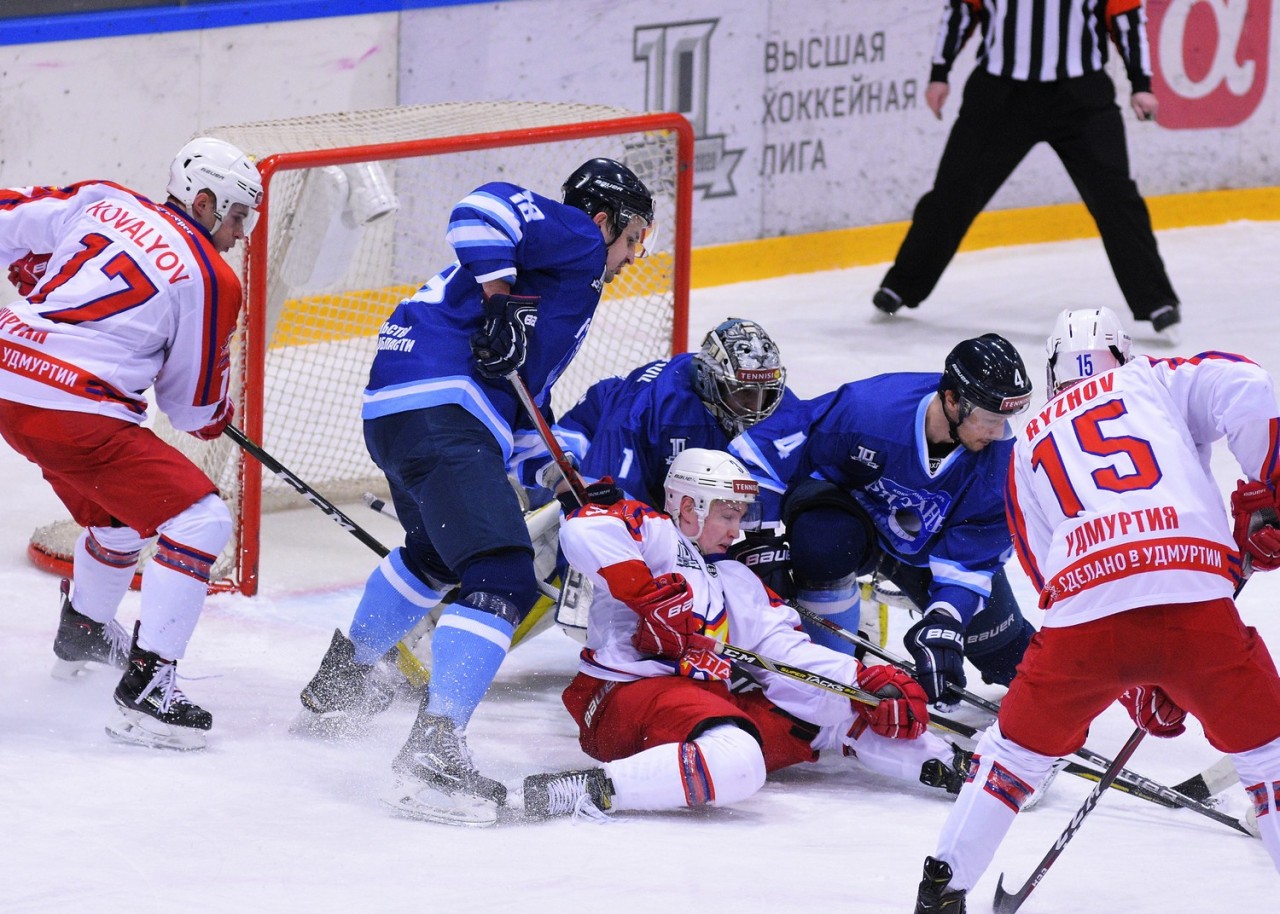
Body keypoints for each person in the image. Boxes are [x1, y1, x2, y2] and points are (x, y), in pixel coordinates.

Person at [297, 158, 655, 823]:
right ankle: (434, 749)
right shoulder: (578, 238)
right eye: (633, 236)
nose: (634, 254)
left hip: (404, 409)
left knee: (435, 554)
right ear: (603, 219)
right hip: (443, 408)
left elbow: (524, 417)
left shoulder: (561, 294)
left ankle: (342, 681)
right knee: (503, 572)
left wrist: (562, 481)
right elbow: (479, 208)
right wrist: (499, 302)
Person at [913, 307, 1280, 913]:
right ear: (1123, 351)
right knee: (1269, 757)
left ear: (1053, 372)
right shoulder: (1150, 380)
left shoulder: (1028, 440)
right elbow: (1245, 383)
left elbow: (1045, 579)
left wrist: (1132, 682)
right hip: (1196, 605)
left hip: (1087, 615)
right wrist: (1269, 488)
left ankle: (943, 889)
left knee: (1013, 758)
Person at [520, 448, 968, 820]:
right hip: (625, 697)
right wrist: (642, 592)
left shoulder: (732, 576)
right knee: (739, 759)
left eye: (740, 516)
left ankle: (958, 768)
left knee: (838, 708)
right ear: (689, 505)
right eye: (726, 515)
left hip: (699, 703)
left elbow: (783, 652)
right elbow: (585, 527)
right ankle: (587, 790)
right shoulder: (658, 535)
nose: (737, 530)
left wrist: (862, 682)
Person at [0, 137, 263, 750]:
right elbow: (190, 408)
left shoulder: (104, 200)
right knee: (201, 520)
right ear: (203, 201)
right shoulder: (210, 276)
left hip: (10, 380)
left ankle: (85, 633)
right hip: (72, 413)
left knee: (120, 520)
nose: (240, 232)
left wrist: (40, 272)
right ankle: (149, 693)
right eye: (236, 215)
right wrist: (218, 409)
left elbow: (9, 218)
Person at [873, 0, 1181, 344]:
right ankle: (901, 285)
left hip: (1080, 96)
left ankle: (1156, 301)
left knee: (1116, 198)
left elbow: (1125, 15)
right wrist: (939, 72)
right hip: (1001, 93)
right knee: (953, 192)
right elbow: (962, 10)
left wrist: (1141, 82)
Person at [783, 334, 1036, 707]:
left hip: (929, 553)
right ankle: (837, 639)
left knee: (1008, 658)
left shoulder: (1004, 464)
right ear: (952, 400)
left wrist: (944, 620)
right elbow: (775, 452)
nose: (998, 432)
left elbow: (971, 558)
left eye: (1005, 419)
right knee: (823, 546)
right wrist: (756, 541)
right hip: (853, 524)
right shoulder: (870, 408)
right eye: (988, 419)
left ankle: (890, 596)